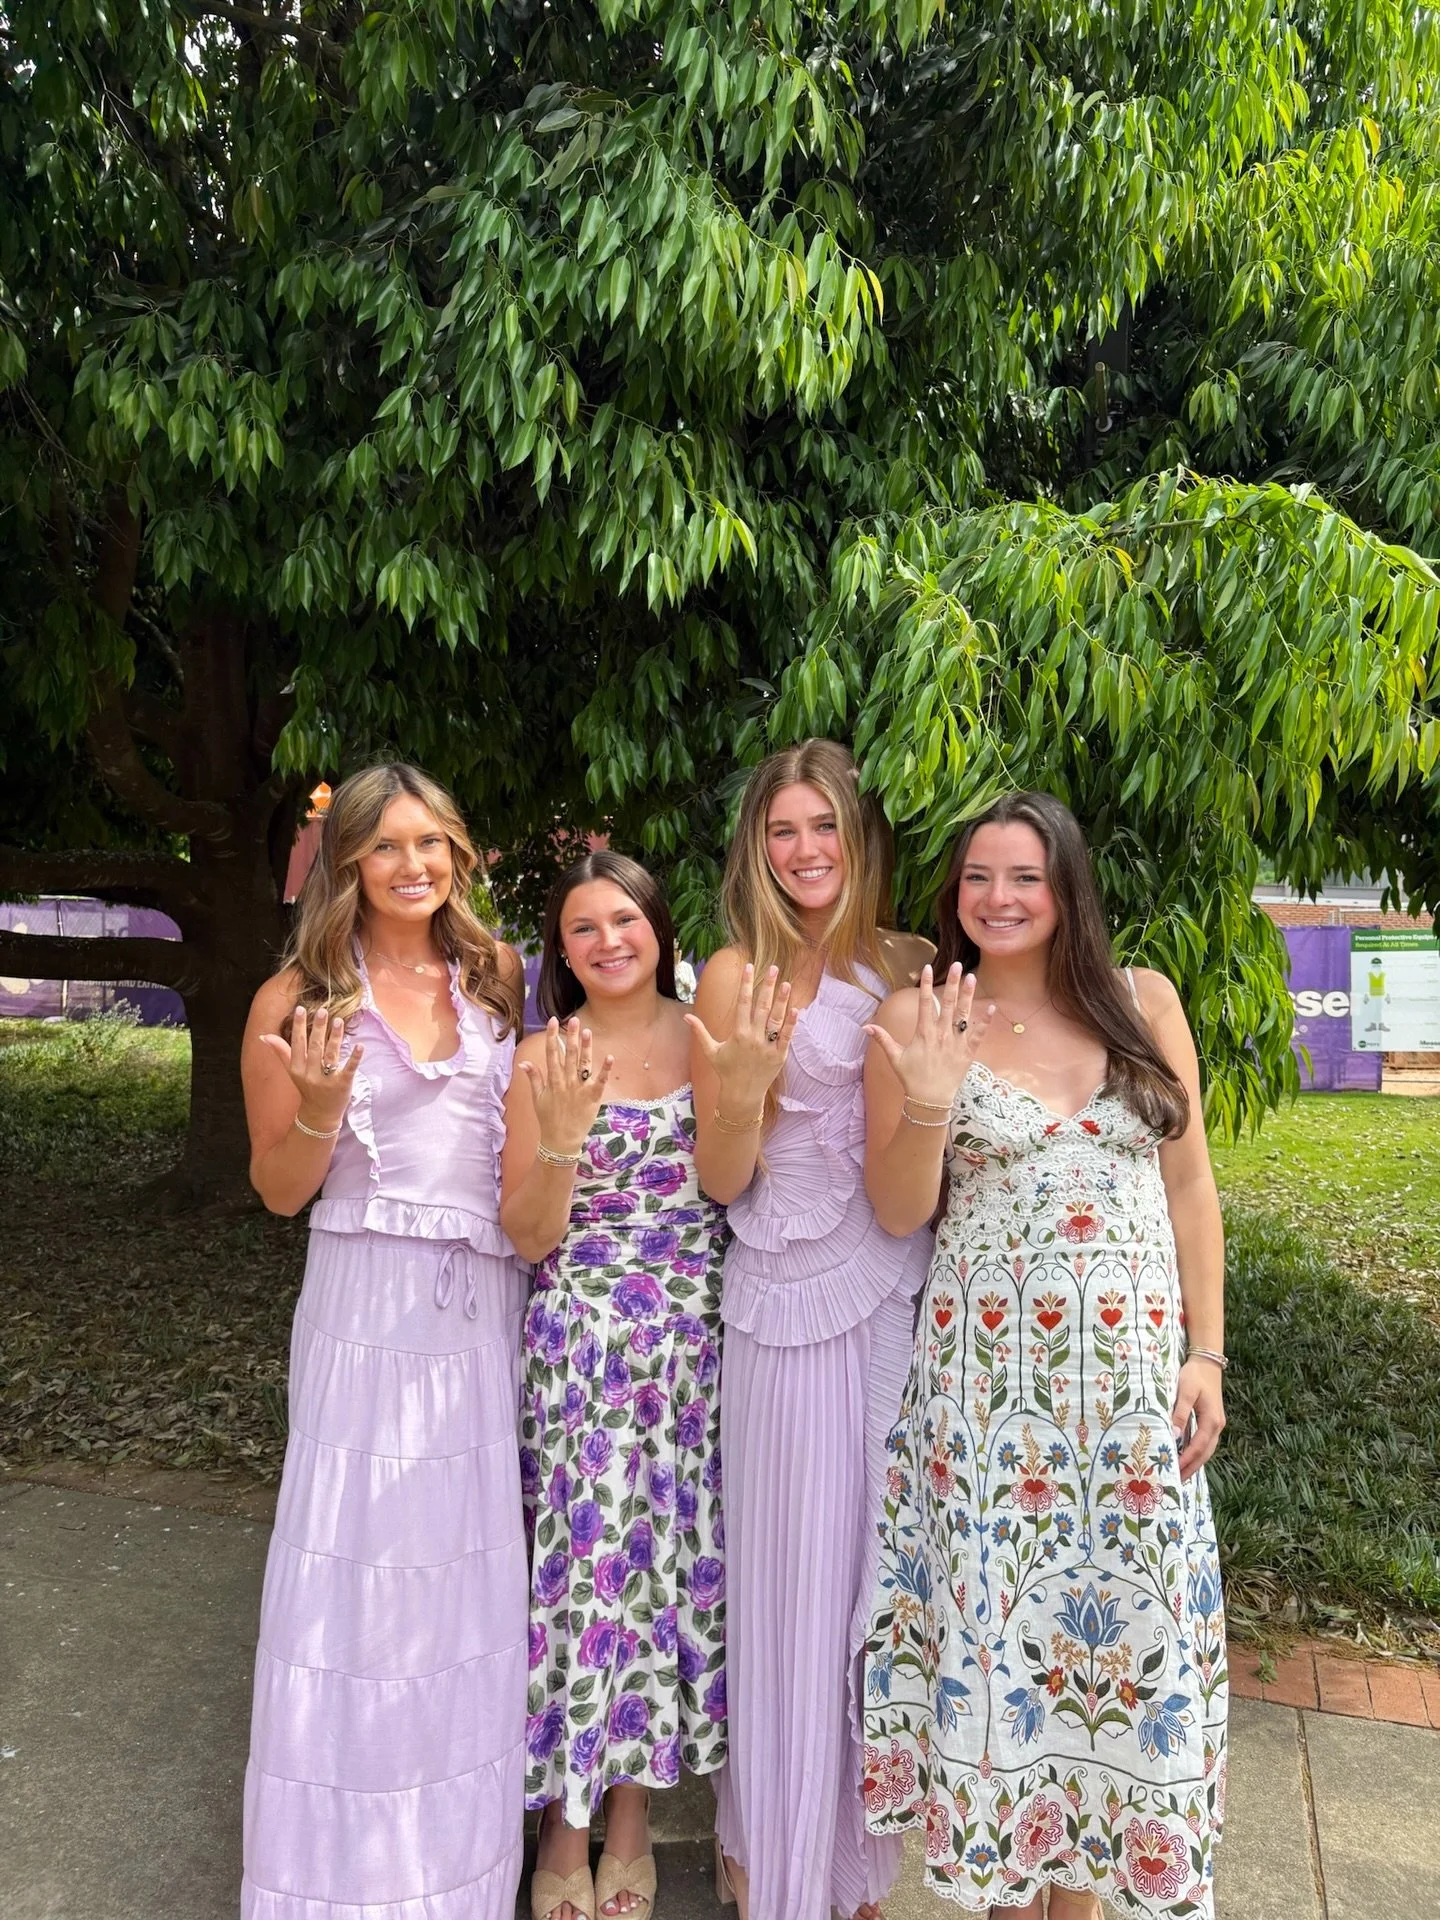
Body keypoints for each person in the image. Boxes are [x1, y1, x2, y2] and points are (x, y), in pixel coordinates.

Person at [860, 791, 1228, 1920]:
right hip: (990, 1419)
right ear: (953, 893)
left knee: (1114, 1676)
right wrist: (927, 1097)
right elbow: (894, 1206)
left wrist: (1206, 1355)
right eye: (979, 877)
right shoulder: (921, 1016)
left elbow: (1191, 1186)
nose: (1000, 899)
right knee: (1010, 1668)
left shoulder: (1143, 1004)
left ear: (1068, 887)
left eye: (1025, 876)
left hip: (1128, 1413)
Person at [239, 763, 529, 1920]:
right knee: (355, 1597)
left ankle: (451, 1884)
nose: (416, 866)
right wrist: (315, 1107)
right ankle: (340, 1889)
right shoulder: (295, 995)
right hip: (364, 1313)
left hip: (482, 1317)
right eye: (388, 846)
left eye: (433, 843)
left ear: (458, 852)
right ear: (348, 860)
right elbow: (276, 1189)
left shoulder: (499, 977)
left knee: (461, 1598)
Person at [687, 739, 933, 1920]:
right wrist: (746, 1086)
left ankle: (855, 1862)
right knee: (787, 1581)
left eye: (823, 827)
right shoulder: (737, 976)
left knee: (871, 1585)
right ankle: (771, 1859)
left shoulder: (913, 964)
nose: (805, 852)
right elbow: (721, 1181)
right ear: (757, 847)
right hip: (783, 1302)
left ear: (859, 836)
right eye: (782, 831)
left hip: (897, 1289)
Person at [501, 852, 728, 1920]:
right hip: (581, 1350)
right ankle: (565, 1826)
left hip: (690, 1355)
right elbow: (529, 1232)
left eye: (624, 918)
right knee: (580, 1584)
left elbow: (738, 1183)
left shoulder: (708, 1039)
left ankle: (630, 1815)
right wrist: (560, 1137)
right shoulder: (542, 1054)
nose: (607, 941)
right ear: (562, 949)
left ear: (659, 928)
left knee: (660, 1580)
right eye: (583, 927)